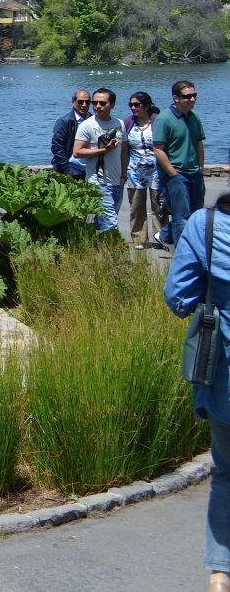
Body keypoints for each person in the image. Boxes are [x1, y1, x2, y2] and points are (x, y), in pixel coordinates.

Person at [162, 188, 230, 591]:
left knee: (226, 472)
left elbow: (178, 298)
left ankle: (221, 572)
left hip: (224, 378)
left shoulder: (205, 227)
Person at [156, 80, 208, 248]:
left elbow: (199, 144)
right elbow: (158, 150)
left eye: (194, 95)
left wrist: (200, 168)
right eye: (187, 96)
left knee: (197, 214)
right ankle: (181, 253)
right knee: (181, 216)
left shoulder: (194, 117)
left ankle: (164, 234)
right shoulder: (164, 119)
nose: (192, 99)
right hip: (176, 174)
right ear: (176, 98)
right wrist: (173, 174)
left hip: (195, 173)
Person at [73, 87, 125, 233]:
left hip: (117, 181)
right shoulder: (87, 125)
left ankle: (92, 251)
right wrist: (103, 150)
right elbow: (77, 152)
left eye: (102, 103)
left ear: (112, 105)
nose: (97, 107)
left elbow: (124, 150)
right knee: (110, 224)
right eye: (95, 103)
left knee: (100, 222)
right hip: (98, 182)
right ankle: (114, 253)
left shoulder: (119, 124)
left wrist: (124, 174)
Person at [125, 92, 168, 248]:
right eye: (131, 105)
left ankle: (162, 237)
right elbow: (124, 148)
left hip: (157, 170)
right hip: (135, 171)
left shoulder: (158, 121)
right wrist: (123, 171)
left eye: (137, 105)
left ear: (147, 105)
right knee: (136, 207)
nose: (133, 108)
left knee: (159, 206)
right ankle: (139, 238)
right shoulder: (128, 122)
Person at [51, 88, 92, 178]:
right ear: (73, 102)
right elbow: (57, 148)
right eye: (80, 102)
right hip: (72, 169)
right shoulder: (64, 122)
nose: (84, 105)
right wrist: (67, 170)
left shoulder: (94, 121)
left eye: (87, 102)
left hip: (90, 170)